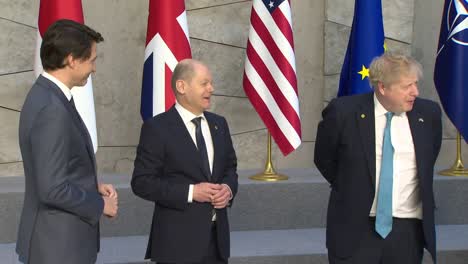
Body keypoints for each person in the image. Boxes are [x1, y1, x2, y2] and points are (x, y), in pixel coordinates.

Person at [314, 53, 442, 264]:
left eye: (416, 84)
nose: (415, 92)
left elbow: (428, 158)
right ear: (382, 88)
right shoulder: (344, 112)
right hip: (356, 227)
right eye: (406, 86)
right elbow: (324, 159)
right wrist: (352, 185)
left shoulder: (428, 114)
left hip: (407, 230)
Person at [16, 19, 118, 264]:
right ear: (72, 60)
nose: (94, 69)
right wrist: (99, 204)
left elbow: (55, 169)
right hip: (58, 247)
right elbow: (52, 188)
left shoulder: (47, 95)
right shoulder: (52, 108)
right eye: (92, 60)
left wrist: (89, 185)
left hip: (57, 243)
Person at [132, 59, 238, 264]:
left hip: (217, 244)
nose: (211, 88)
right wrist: (191, 192)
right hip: (176, 246)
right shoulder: (157, 128)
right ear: (182, 86)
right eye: (204, 83)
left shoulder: (219, 124)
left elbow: (230, 168)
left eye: (211, 83)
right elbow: (142, 183)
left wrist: (228, 188)